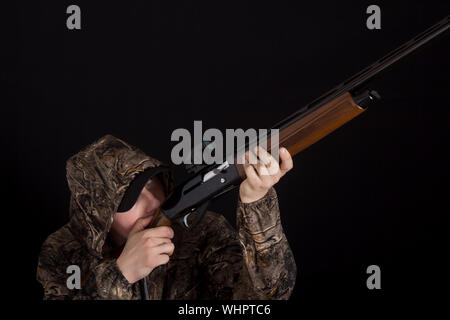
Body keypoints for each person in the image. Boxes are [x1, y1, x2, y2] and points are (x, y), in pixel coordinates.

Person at [37, 134, 297, 299]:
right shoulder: (63, 252)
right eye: (129, 199)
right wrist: (121, 274)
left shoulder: (204, 232)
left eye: (152, 185)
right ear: (99, 217)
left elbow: (270, 297)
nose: (152, 202)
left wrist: (255, 203)